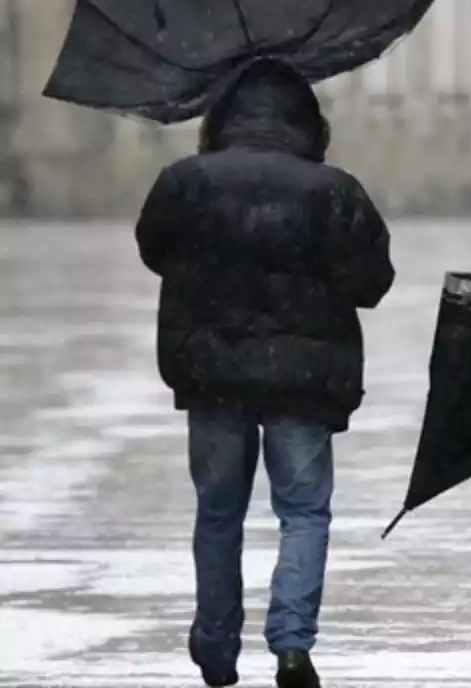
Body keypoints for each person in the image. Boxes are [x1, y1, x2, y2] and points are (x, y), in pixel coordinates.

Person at [135, 58, 395, 688]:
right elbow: (372, 282)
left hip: (213, 371)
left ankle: (217, 645)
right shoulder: (334, 190)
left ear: (221, 118)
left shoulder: (184, 182)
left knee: (218, 511)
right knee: (303, 512)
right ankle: (291, 646)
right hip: (303, 380)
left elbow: (154, 251)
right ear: (308, 122)